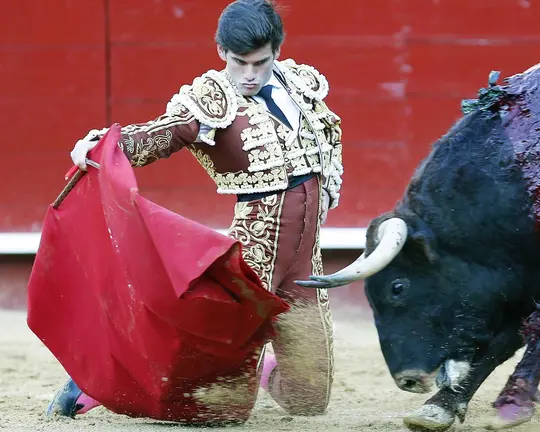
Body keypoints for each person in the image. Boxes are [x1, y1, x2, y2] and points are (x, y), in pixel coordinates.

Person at [46, 0, 342, 419]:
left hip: (305, 262)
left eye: (261, 62)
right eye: (239, 62)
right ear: (222, 51)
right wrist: (102, 145)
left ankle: (264, 370)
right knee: (217, 404)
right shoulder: (211, 99)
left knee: (308, 399)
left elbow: (329, 135)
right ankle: (95, 385)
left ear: (277, 51)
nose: (250, 75)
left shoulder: (300, 84)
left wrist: (328, 188)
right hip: (254, 257)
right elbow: (160, 135)